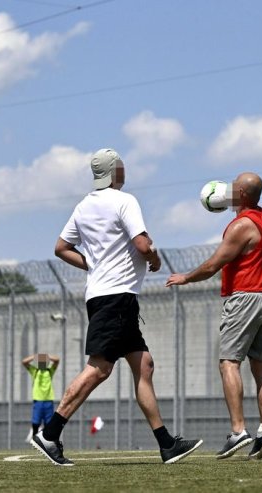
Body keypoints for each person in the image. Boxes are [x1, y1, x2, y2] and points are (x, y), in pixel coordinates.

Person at [33, 148, 202, 466]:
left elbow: (61, 248)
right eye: (122, 166)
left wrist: (94, 266)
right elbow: (141, 243)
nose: (125, 170)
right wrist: (153, 257)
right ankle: (50, 433)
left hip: (104, 296)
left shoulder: (84, 206)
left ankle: (166, 445)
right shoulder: (125, 201)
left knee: (144, 365)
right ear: (115, 172)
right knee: (99, 368)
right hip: (117, 298)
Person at [167, 172, 262, 460]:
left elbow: (213, 265)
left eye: (233, 187)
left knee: (229, 363)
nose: (228, 190)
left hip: (246, 297)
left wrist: (186, 278)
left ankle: (238, 431)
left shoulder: (241, 225)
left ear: (241, 194)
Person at [22, 353, 60, 436]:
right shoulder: (35, 371)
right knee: (36, 422)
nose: (42, 362)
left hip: (48, 400)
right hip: (38, 400)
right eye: (40, 361)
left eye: (44, 361)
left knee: (48, 423)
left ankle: (46, 440)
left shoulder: (49, 371)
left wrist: (47, 356)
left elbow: (57, 360)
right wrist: (35, 356)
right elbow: (24, 362)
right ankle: (34, 439)